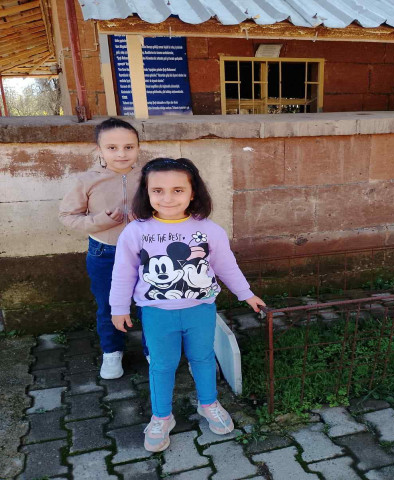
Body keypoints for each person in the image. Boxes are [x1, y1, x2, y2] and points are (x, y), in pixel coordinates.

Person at [109, 157, 265, 452]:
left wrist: (246, 293)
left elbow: (226, 265)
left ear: (193, 193)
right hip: (156, 314)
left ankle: (208, 403)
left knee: (203, 358)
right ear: (146, 192)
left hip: (200, 310)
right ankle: (161, 417)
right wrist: (118, 308)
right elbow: (123, 272)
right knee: (162, 365)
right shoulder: (135, 231)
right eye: (158, 190)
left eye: (178, 190)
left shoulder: (209, 230)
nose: (167, 198)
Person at [59, 117, 148, 380]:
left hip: (146, 253)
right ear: (99, 150)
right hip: (105, 253)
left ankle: (152, 349)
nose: (121, 154)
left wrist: (145, 218)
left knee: (149, 304)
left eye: (129, 147)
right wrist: (101, 221)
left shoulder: (148, 177)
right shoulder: (87, 180)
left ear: (138, 148)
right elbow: (68, 216)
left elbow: (165, 208)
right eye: (112, 148)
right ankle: (112, 352)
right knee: (109, 306)